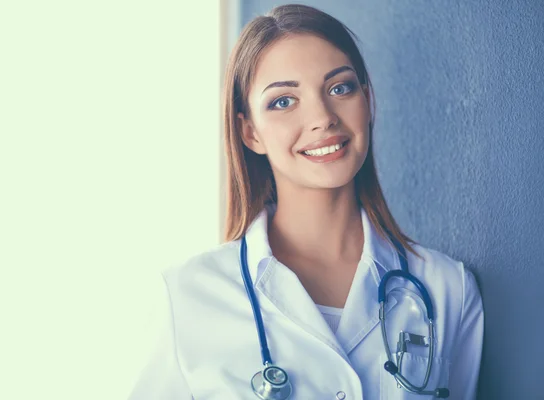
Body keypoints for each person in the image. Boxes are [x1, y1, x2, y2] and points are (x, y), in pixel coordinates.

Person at [128, 4, 484, 399]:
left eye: (339, 88)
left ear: (367, 101)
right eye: (283, 101)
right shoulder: (188, 297)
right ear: (250, 133)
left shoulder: (447, 289)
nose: (322, 117)